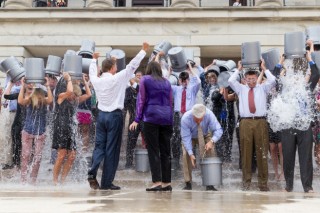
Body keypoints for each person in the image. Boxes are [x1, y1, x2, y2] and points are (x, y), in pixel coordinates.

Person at [87, 42, 149, 190]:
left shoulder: (97, 80)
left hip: (101, 116)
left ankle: (92, 171)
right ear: (114, 68)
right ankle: (107, 183)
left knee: (99, 146)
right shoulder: (119, 78)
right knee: (112, 150)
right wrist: (143, 51)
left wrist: (93, 59)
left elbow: (91, 73)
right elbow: (132, 66)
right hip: (115, 116)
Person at [272, 47, 319, 193]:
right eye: (293, 77)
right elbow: (275, 77)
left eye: (299, 76)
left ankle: (308, 186)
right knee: (288, 157)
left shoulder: (307, 87)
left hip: (304, 125)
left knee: (306, 158)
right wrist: (281, 61)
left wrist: (309, 58)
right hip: (288, 124)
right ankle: (289, 185)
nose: (296, 79)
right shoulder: (283, 88)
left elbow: (316, 73)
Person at [228, 60, 276, 191]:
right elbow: (231, 81)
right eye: (248, 79)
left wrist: (264, 68)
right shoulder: (241, 88)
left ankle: (263, 183)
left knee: (262, 153)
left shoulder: (262, 88)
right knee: (246, 153)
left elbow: (273, 81)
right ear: (245, 79)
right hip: (245, 122)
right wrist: (238, 69)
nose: (251, 81)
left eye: (253, 78)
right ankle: (246, 182)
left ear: (257, 78)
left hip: (260, 121)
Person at [130, 60, 173, 192]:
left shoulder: (145, 79)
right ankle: (167, 182)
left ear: (148, 69)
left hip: (151, 117)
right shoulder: (167, 82)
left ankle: (157, 182)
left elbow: (141, 99)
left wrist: (137, 119)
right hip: (167, 118)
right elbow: (171, 101)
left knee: (153, 150)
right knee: (166, 151)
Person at [52, 73, 91, 185]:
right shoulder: (60, 97)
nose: (74, 97)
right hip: (60, 127)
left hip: (70, 128)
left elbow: (88, 94)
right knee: (62, 154)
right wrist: (69, 78)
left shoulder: (75, 99)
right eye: (74, 95)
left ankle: (63, 180)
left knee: (72, 156)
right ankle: (55, 181)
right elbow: (69, 92)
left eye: (76, 96)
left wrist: (84, 80)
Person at [18, 77, 53, 184]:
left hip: (40, 133)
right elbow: (20, 101)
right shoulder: (29, 100)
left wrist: (47, 86)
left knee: (37, 158)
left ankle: (33, 180)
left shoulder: (44, 102)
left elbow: (51, 100)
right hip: (28, 132)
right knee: (26, 156)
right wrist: (23, 87)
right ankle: (23, 180)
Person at [181, 104, 223, 191]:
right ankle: (188, 183)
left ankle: (210, 183)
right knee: (186, 154)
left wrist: (212, 141)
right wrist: (191, 153)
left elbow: (219, 130)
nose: (199, 120)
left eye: (201, 118)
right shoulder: (185, 118)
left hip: (204, 134)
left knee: (210, 151)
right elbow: (186, 138)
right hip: (191, 136)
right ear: (192, 114)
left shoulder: (209, 114)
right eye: (196, 119)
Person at [171, 62, 201, 172]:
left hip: (189, 115)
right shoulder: (176, 89)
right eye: (182, 80)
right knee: (175, 138)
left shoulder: (192, 89)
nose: (184, 81)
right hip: (178, 115)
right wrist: (169, 72)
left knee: (192, 138)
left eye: (185, 79)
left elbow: (198, 81)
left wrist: (191, 70)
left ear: (188, 80)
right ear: (179, 80)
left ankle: (193, 160)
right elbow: (165, 83)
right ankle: (176, 161)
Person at [124, 70, 145, 169]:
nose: (139, 78)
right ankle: (129, 163)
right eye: (137, 76)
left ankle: (148, 162)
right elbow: (125, 105)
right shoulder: (128, 90)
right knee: (131, 142)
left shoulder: (145, 89)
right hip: (133, 120)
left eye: (140, 76)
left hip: (145, 119)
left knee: (149, 141)